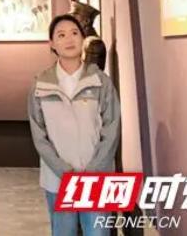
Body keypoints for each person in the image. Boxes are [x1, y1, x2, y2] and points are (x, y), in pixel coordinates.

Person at [28, 14, 120, 236]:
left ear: (83, 38)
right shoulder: (41, 84)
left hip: (95, 178)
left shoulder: (100, 81)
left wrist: (93, 170)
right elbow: (39, 136)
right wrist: (64, 171)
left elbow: (111, 129)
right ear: (52, 44)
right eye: (61, 35)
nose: (69, 39)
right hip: (58, 180)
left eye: (74, 33)